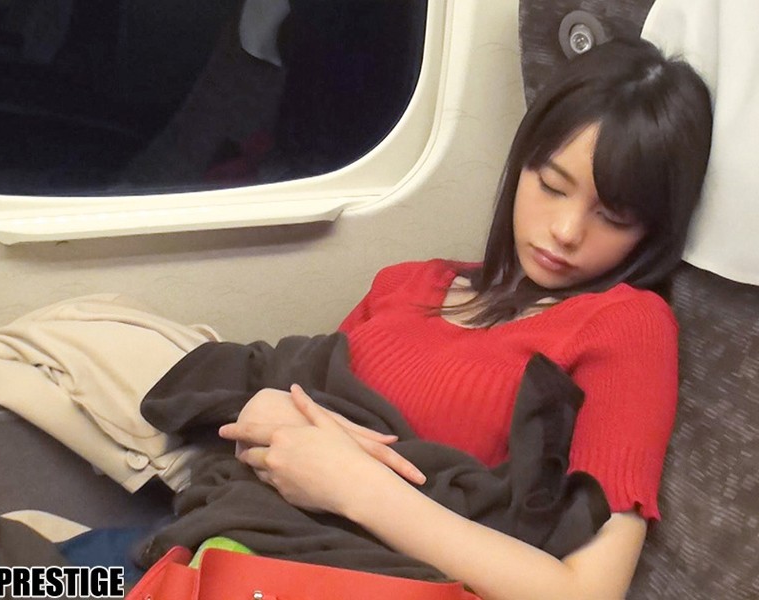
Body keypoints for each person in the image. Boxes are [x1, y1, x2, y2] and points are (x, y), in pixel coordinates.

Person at [218, 37, 713, 600]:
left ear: (652, 230)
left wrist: (358, 489)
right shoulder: (407, 283)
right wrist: (263, 409)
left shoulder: (626, 324)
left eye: (614, 217)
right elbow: (307, 402)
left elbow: (588, 591)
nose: (567, 231)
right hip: (256, 525)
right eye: (552, 187)